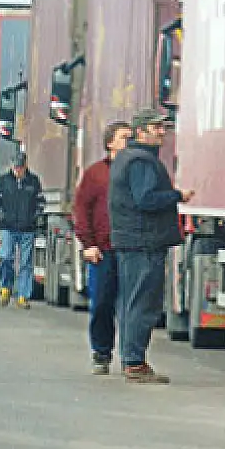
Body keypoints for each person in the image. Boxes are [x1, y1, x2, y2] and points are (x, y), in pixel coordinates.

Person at [109, 108, 194, 384]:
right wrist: (176, 196)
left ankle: (131, 358)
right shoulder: (141, 162)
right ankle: (134, 361)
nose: (162, 133)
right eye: (156, 128)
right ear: (141, 131)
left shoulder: (126, 158)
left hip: (132, 241)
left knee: (131, 302)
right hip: (143, 242)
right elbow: (146, 199)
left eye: (163, 128)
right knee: (143, 303)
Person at [73, 120, 132, 375]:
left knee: (133, 307)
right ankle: (102, 352)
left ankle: (132, 357)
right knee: (102, 303)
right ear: (110, 143)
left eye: (131, 137)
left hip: (132, 250)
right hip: (103, 250)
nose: (128, 142)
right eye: (123, 137)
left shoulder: (139, 172)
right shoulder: (95, 174)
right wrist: (88, 244)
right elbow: (81, 209)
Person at [0, 152, 45, 309]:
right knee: (6, 258)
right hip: (8, 227)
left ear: (25, 166)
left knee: (26, 263)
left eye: (20, 167)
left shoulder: (34, 181)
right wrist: (0, 214)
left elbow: (40, 202)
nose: (18, 170)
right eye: (15, 167)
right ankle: (5, 287)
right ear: (12, 166)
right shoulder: (4, 180)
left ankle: (23, 295)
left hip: (27, 228)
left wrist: (35, 216)